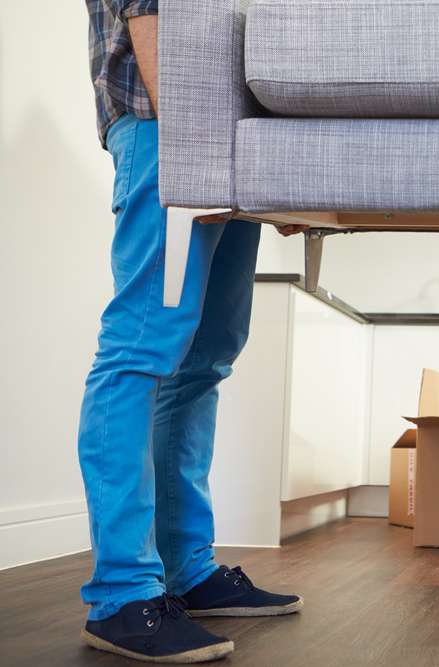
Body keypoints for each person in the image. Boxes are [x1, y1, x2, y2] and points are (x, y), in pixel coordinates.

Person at [80, 2, 306, 662]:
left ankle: (187, 570)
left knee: (205, 358)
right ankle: (122, 593)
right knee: (140, 350)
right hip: (167, 132)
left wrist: (272, 176)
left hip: (222, 147)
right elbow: (150, 11)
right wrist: (192, 152)